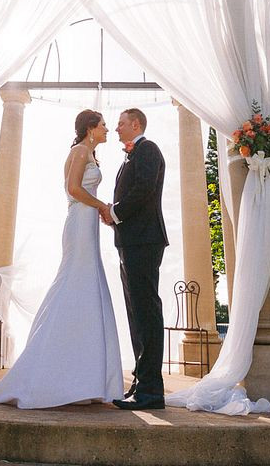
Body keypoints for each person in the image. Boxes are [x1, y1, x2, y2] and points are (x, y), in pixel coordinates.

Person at [0, 110, 124, 408]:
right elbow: (73, 189)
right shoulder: (79, 151)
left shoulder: (89, 153)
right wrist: (103, 205)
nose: (107, 130)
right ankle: (61, 376)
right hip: (79, 223)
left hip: (87, 224)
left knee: (87, 288)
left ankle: (84, 378)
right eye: (103, 125)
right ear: (91, 128)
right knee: (76, 284)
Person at [106, 107, 168, 411]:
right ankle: (141, 383)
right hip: (130, 241)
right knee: (136, 314)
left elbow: (145, 188)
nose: (116, 129)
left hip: (144, 239)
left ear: (136, 124)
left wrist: (115, 211)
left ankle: (152, 392)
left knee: (146, 312)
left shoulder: (148, 149)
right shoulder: (130, 154)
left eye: (120, 124)